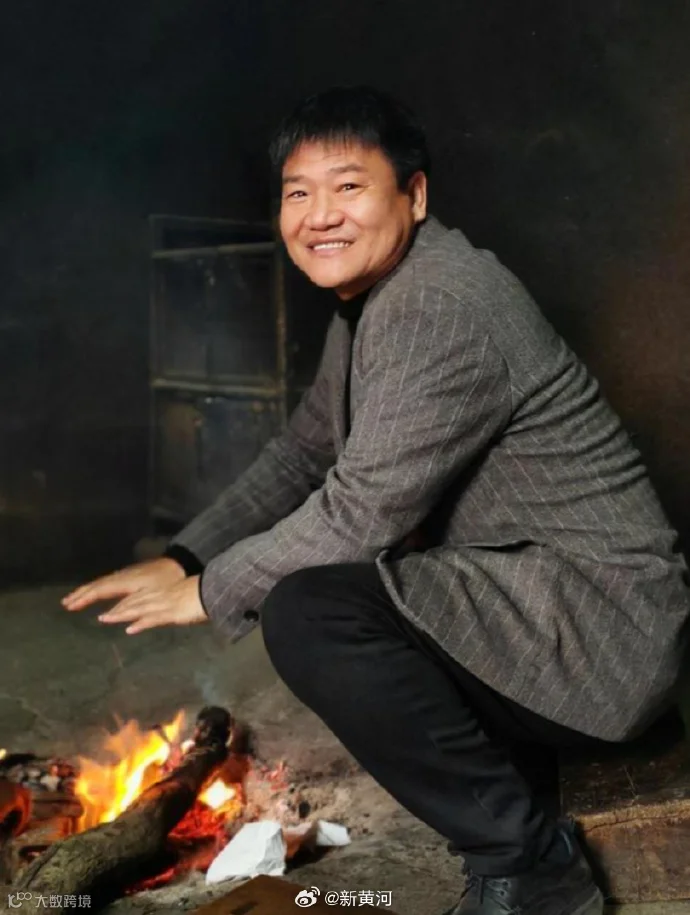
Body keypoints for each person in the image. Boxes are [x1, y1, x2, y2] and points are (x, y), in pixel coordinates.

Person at [63, 86, 690, 915]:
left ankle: (532, 865)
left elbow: (359, 514)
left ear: (415, 195)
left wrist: (212, 589)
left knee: (312, 612)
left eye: (349, 186)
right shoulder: (370, 307)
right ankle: (520, 814)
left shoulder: (436, 302)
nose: (320, 215)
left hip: (602, 632)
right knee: (330, 593)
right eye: (298, 192)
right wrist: (188, 553)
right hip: (542, 603)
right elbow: (303, 452)